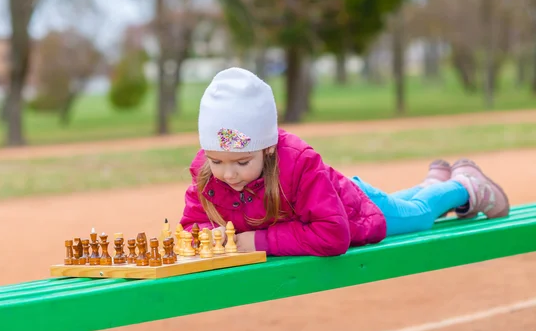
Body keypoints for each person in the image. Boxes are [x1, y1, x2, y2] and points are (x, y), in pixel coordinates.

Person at [178, 67, 510, 257]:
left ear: (267, 148)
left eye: (241, 162)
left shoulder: (297, 163)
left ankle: (464, 186)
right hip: (337, 199)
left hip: (353, 210)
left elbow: (332, 235)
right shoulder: (208, 176)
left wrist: (256, 241)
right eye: (217, 160)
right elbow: (192, 227)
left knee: (419, 216)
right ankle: (432, 185)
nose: (228, 173)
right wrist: (213, 235)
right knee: (403, 204)